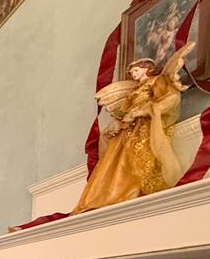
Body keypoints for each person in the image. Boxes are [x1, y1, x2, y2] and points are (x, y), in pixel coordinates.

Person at [72, 42, 194, 216]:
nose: (133, 75)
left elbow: (169, 98)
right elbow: (124, 109)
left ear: (146, 68)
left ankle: (129, 192)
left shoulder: (157, 81)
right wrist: (118, 121)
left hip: (143, 125)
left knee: (138, 157)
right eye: (132, 72)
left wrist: (143, 111)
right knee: (117, 160)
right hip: (128, 127)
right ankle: (112, 195)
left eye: (136, 71)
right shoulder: (134, 90)